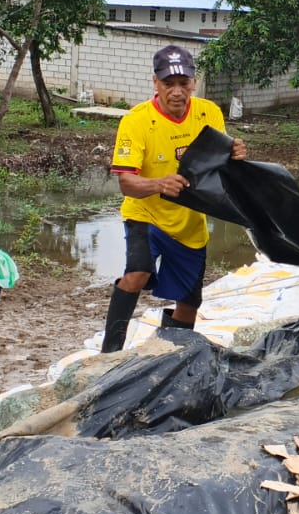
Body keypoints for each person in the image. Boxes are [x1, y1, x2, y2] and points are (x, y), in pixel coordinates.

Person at [100, 45, 247, 353]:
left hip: (190, 220)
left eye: (184, 83)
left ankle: (170, 354)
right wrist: (159, 184)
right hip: (146, 214)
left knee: (189, 302)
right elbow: (127, 183)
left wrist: (234, 155)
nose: (177, 92)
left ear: (194, 82)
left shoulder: (209, 113)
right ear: (156, 83)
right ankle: (109, 352)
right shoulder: (136, 121)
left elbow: (218, 166)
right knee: (136, 274)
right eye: (168, 84)